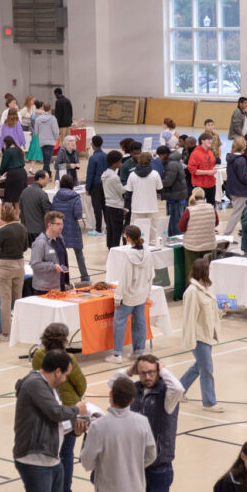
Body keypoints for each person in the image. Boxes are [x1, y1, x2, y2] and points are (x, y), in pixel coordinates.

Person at [13, 349, 87, 492]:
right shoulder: (35, 384)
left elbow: (53, 418)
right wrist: (78, 410)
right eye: (65, 375)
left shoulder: (48, 387)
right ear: (57, 371)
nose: (65, 379)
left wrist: (74, 424)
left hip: (51, 457)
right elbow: (55, 413)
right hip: (34, 459)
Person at [111, 353, 183, 492]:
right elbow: (113, 385)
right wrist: (129, 371)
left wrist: (165, 370)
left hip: (160, 464)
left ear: (158, 372)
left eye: (152, 372)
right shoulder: (135, 390)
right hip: (138, 464)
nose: (147, 376)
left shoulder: (167, 394)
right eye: (143, 373)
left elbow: (179, 388)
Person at [30, 324, 88, 492]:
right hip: (69, 410)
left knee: (50, 454)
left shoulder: (39, 355)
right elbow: (81, 385)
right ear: (64, 340)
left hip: (46, 408)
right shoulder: (68, 358)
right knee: (66, 454)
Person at [109, 225, 157, 363]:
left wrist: (118, 297)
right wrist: (147, 293)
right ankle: (139, 351)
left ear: (128, 238)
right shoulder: (147, 252)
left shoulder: (128, 256)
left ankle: (117, 354)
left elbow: (124, 279)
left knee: (119, 322)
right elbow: (151, 274)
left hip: (129, 295)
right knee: (140, 322)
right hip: (141, 294)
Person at [181, 257, 224, 411]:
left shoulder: (205, 289)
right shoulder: (193, 292)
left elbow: (210, 313)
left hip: (207, 335)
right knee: (207, 369)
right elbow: (190, 317)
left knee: (199, 366)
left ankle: (178, 391)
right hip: (198, 336)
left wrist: (221, 311)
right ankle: (209, 402)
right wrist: (190, 339)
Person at [0, 203, 27, 339]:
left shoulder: (3, 230)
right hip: (19, 265)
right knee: (18, 299)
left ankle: (7, 331)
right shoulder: (22, 228)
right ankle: (20, 327)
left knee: (5, 301)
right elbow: (25, 247)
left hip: (4, 266)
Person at [177, 187, 219, 275]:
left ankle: (192, 288)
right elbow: (216, 223)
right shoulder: (211, 208)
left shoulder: (189, 210)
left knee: (192, 272)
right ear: (204, 197)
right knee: (207, 272)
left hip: (192, 246)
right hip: (209, 245)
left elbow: (181, 228)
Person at [222, 136, 247, 236]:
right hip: (240, 191)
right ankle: (226, 235)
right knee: (237, 213)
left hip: (232, 189)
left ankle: (245, 231)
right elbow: (243, 177)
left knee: (242, 212)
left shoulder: (231, 158)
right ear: (243, 146)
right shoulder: (241, 160)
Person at [125, 152, 163, 243]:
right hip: (152, 207)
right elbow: (160, 189)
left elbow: (129, 192)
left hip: (137, 208)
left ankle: (134, 248)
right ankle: (154, 250)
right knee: (154, 231)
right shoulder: (155, 174)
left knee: (135, 231)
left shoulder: (132, 175)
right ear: (150, 161)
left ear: (138, 160)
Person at [30, 211, 69, 295]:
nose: (61, 227)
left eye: (62, 224)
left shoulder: (60, 238)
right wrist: (53, 266)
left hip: (60, 285)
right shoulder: (40, 243)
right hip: (45, 288)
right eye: (58, 224)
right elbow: (35, 264)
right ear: (50, 225)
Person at [18, 169, 52, 246]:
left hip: (27, 229)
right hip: (40, 230)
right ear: (40, 179)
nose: (48, 182)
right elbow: (48, 212)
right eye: (46, 179)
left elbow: (21, 211)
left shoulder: (24, 191)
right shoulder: (42, 194)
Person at [187, 132, 218, 205]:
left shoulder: (210, 152)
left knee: (212, 206)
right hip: (200, 185)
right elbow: (192, 170)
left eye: (211, 139)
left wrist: (213, 170)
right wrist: (207, 172)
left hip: (211, 183)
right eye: (208, 139)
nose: (211, 141)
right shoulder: (195, 153)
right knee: (198, 206)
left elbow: (211, 165)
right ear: (202, 141)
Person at [85, 136, 107, 236]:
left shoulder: (93, 158)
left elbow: (90, 174)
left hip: (96, 184)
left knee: (97, 208)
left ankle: (98, 229)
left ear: (93, 145)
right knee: (105, 207)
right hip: (105, 184)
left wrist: (87, 188)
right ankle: (107, 227)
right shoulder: (105, 155)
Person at [0, 136, 28, 207]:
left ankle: (9, 215)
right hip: (23, 173)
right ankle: (18, 216)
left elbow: (4, 165)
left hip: (13, 175)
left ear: (7, 143)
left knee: (10, 197)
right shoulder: (19, 149)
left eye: (4, 144)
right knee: (19, 197)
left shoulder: (7, 151)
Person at [25, 103, 47, 173]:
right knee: (45, 152)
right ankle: (46, 169)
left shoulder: (33, 114)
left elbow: (31, 123)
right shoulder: (43, 115)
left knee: (34, 151)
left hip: (35, 134)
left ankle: (31, 168)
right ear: (41, 107)